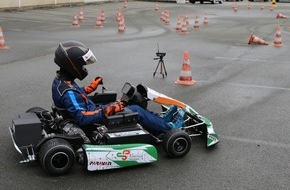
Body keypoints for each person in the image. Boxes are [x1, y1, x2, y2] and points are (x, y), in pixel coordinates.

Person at [51, 40, 183, 141]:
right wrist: (107, 110)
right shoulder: (68, 92)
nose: (84, 68)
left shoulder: (61, 81)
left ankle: (161, 120)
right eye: (82, 65)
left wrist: (90, 88)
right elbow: (82, 117)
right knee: (135, 110)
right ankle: (170, 128)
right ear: (72, 66)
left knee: (130, 103)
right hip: (94, 122)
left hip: (92, 110)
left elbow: (76, 94)